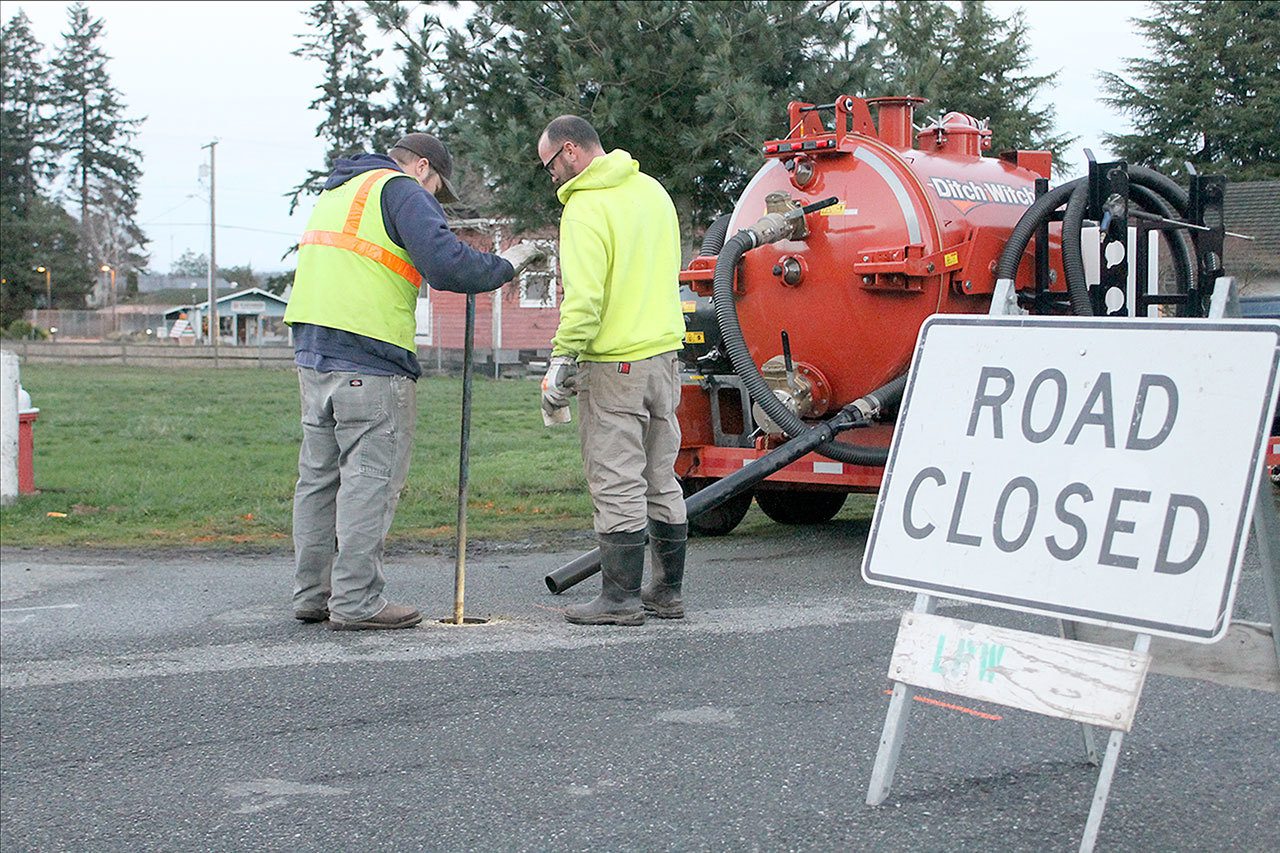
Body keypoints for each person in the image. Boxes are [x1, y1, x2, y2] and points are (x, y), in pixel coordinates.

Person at [284, 132, 543, 631]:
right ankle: (357, 600)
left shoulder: (338, 191)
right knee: (369, 480)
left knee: (318, 480)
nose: (434, 201)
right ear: (422, 167)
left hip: (313, 354)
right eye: (437, 189)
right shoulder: (400, 191)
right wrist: (507, 264)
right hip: (369, 356)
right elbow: (447, 264)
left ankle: (312, 594)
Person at [537, 116, 687, 626]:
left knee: (616, 479)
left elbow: (584, 300)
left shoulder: (584, 208)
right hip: (665, 358)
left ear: (572, 151)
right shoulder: (652, 192)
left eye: (550, 165)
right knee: (661, 478)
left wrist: (562, 360)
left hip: (614, 364)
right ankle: (667, 593)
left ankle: (619, 600)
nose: (551, 176)